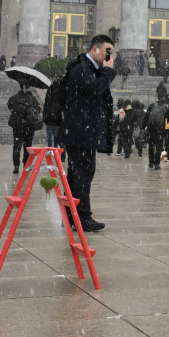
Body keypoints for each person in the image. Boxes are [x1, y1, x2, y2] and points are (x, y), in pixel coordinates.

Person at [60, 34, 116, 232]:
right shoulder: (82, 68)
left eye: (111, 53)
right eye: (107, 52)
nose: (109, 57)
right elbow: (95, 87)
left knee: (77, 174)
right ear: (94, 49)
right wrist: (108, 72)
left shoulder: (88, 68)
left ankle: (70, 215)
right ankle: (82, 216)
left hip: (82, 131)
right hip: (80, 131)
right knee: (83, 173)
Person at [7, 83, 41, 174]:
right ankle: (26, 164)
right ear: (29, 87)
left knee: (16, 145)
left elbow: (10, 107)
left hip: (17, 126)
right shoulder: (32, 99)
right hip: (29, 126)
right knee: (28, 146)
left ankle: (16, 165)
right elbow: (38, 110)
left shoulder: (13, 98)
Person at [143, 95, 169, 170]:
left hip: (151, 128)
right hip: (160, 129)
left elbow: (146, 117)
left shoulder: (152, 106)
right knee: (159, 146)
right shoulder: (165, 107)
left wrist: (143, 127)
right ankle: (156, 163)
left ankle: (150, 162)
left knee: (151, 146)